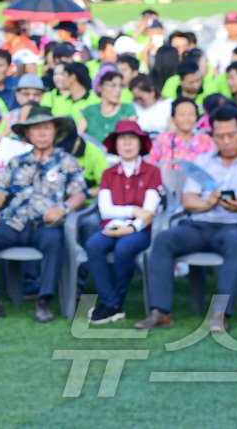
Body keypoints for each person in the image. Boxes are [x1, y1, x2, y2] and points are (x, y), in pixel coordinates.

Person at [137, 109, 237, 333]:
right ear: (213, 136)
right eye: (220, 136)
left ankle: (221, 314)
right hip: (199, 224)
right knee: (163, 240)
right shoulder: (203, 161)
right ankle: (160, 312)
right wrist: (208, 203)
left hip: (234, 225)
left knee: (235, 242)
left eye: (231, 135)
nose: (226, 141)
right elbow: (189, 199)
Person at [0, 107, 87, 324]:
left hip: (46, 224)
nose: (41, 133)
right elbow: (0, 191)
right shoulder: (16, 162)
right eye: (36, 129)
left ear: (55, 131)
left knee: (54, 241)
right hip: (14, 222)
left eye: (46, 128)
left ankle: (44, 301)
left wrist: (63, 209)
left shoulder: (67, 161)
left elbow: (80, 194)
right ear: (28, 134)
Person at [85, 120, 163, 323]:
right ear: (116, 145)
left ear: (140, 144)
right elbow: (105, 209)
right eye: (122, 140)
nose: (127, 144)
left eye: (132, 139)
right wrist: (132, 210)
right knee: (93, 245)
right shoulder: (108, 173)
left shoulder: (152, 171)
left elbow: (149, 211)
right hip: (111, 225)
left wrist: (131, 227)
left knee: (124, 248)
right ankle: (111, 302)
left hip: (141, 229)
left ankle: (113, 303)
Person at [147, 97, 215, 169]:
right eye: (182, 114)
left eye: (191, 114)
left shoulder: (205, 140)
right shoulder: (162, 139)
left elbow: (213, 168)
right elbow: (151, 166)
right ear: (173, 118)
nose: (187, 118)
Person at [79, 69, 134, 141]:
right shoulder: (90, 111)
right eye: (113, 85)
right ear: (100, 88)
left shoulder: (127, 109)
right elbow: (78, 136)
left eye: (120, 86)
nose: (118, 90)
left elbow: (131, 137)